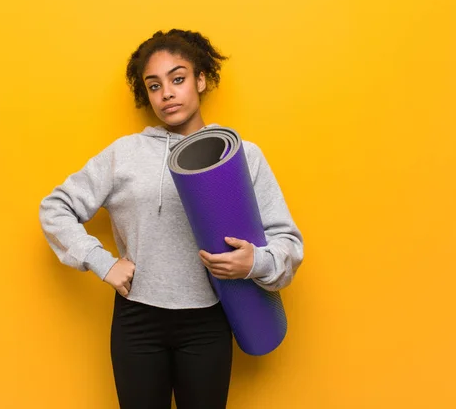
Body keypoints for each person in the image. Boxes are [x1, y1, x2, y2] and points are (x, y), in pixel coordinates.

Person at [39, 28, 304, 409]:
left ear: (200, 80)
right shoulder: (125, 154)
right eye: (154, 85)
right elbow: (55, 207)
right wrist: (102, 262)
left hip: (209, 322)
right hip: (138, 322)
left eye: (178, 79)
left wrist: (254, 263)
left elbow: (288, 243)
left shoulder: (242, 155)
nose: (166, 93)